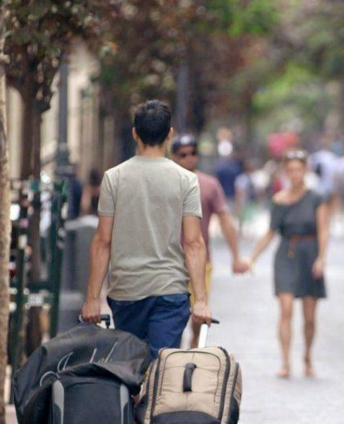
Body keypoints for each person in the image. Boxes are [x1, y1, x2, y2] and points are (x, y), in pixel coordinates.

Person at [80, 100, 213, 360]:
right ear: (169, 134)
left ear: (134, 133)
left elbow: (102, 242)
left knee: (131, 368)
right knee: (161, 369)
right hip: (171, 292)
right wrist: (201, 300)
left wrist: (93, 298)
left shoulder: (114, 178)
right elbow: (194, 242)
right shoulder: (186, 180)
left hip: (127, 292)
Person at [246, 150, 330, 379]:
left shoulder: (316, 198)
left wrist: (322, 258)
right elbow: (270, 232)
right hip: (286, 254)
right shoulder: (279, 200)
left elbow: (323, 230)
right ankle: (285, 361)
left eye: (299, 169)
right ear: (286, 172)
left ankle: (308, 356)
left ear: (305, 171)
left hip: (310, 253)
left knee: (310, 316)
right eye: (291, 170)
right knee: (285, 309)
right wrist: (251, 257)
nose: (295, 174)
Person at [171, 133, 249, 348]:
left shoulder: (209, 184)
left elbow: (225, 220)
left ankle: (194, 345)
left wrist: (236, 257)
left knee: (199, 311)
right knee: (171, 316)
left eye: (193, 153)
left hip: (200, 261)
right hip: (169, 261)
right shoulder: (165, 183)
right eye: (183, 154)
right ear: (174, 156)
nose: (189, 158)